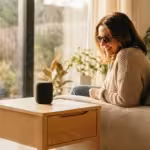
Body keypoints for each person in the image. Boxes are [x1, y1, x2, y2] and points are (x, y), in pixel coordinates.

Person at [71, 12, 150, 107]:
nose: (102, 44)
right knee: (77, 89)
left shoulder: (126, 55)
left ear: (123, 36)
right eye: (100, 38)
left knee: (77, 91)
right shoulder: (128, 53)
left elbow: (127, 100)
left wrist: (97, 93)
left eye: (107, 38)